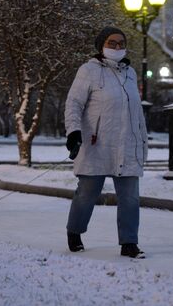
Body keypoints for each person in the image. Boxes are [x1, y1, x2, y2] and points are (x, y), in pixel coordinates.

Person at [64, 26, 148, 258]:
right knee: (87, 193)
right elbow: (74, 103)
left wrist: (142, 139)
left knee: (130, 196)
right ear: (101, 45)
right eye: (112, 43)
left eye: (121, 43)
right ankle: (75, 231)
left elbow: (137, 111)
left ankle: (129, 243)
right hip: (96, 143)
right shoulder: (88, 70)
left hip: (127, 144)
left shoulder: (130, 73)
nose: (117, 47)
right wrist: (74, 131)